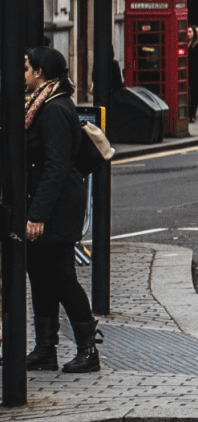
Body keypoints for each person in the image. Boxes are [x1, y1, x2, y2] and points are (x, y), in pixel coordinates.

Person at [20, 47, 101, 373]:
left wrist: (37, 215)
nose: (22, 73)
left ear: (40, 72)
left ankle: (88, 349)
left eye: (26, 68)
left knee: (62, 277)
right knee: (39, 275)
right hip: (46, 203)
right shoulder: (40, 104)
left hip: (57, 208)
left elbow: (55, 167)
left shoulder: (53, 110)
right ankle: (45, 349)